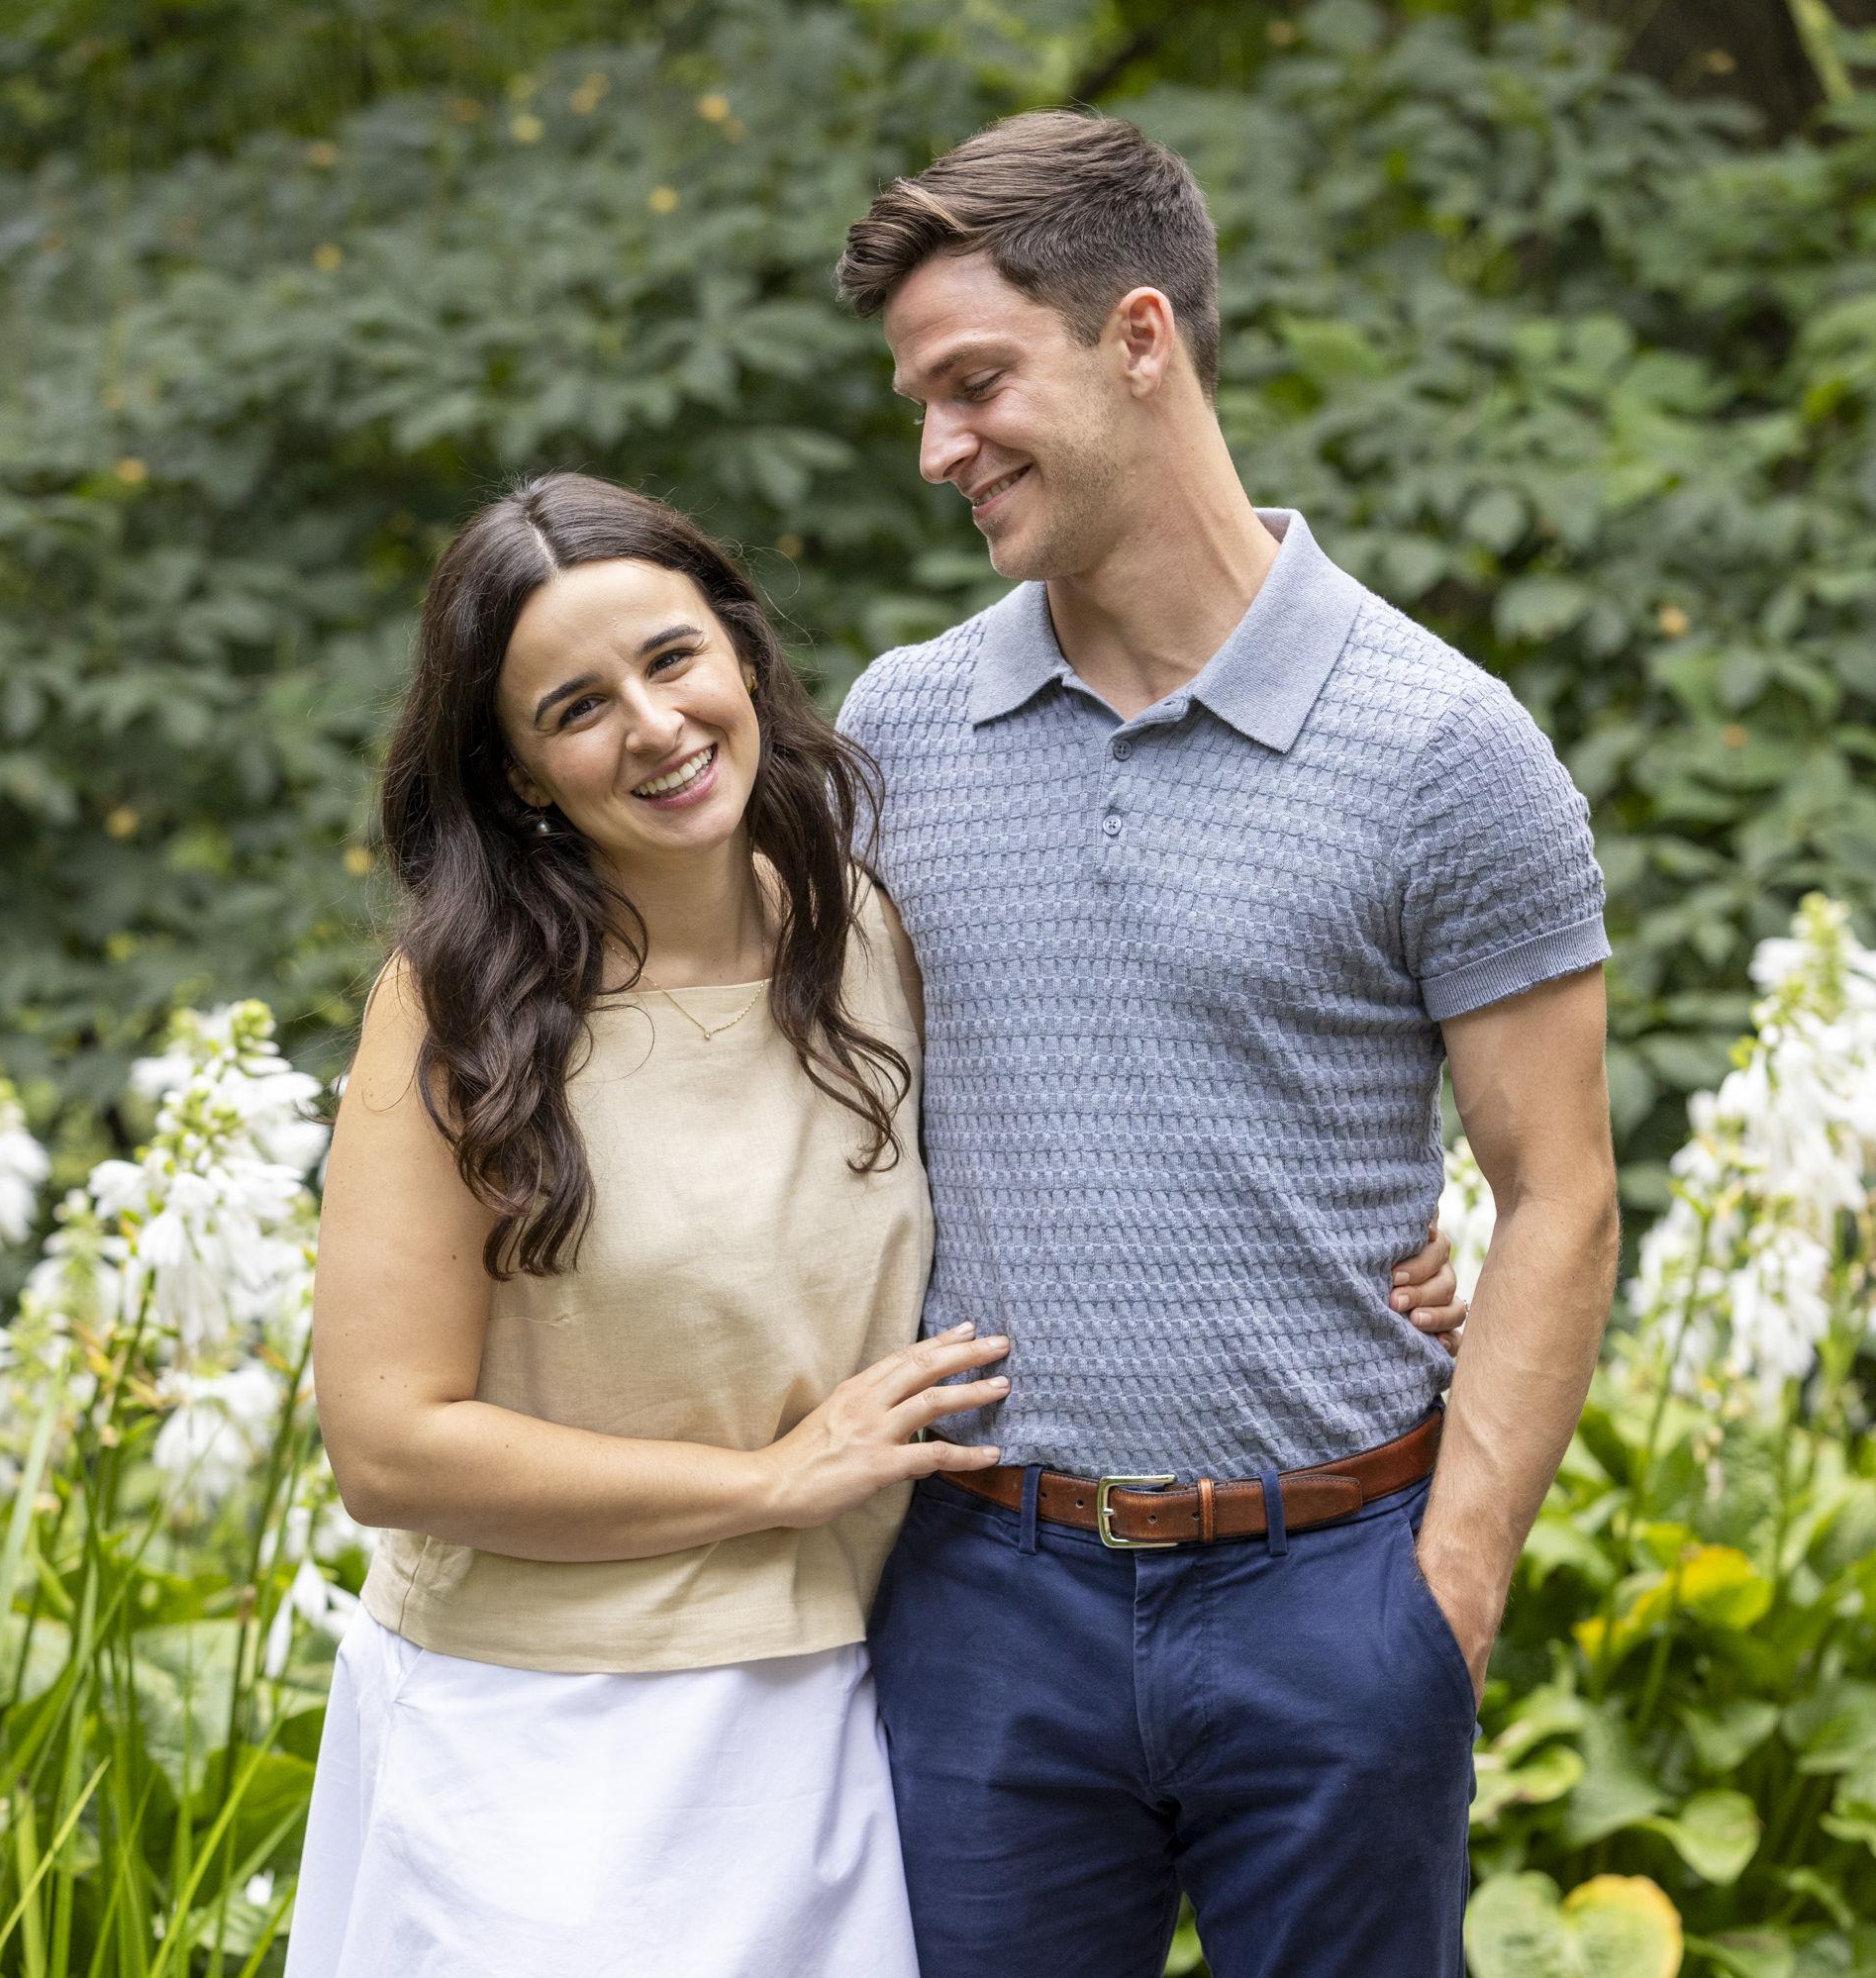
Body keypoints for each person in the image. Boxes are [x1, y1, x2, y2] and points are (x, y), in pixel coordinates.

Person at [283, 472, 1469, 1976]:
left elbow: (1088, 1125)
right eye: (575, 709)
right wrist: (769, 1479)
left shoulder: (868, 933)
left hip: (831, 1714)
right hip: (538, 1733)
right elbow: (387, 1447)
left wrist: (1367, 1263)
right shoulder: (457, 1007)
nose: (652, 725)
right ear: (515, 769)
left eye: (669, 658)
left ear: (738, 653)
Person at [831, 110, 1620, 1978]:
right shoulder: (897, 734)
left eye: (972, 384)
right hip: (983, 1599)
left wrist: (1449, 1589)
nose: (936, 448)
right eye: (919, 403)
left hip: (1333, 1588)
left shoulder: (1444, 746)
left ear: (1136, 338)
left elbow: (1558, 1192)